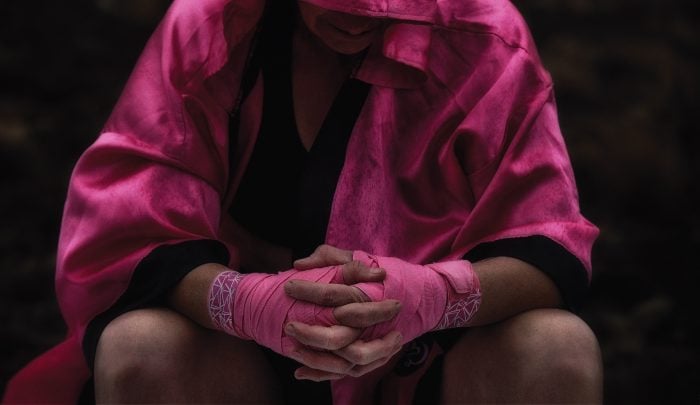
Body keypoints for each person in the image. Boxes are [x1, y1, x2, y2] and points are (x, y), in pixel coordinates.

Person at [3, 0, 603, 403]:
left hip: (425, 363)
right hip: (239, 360)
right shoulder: (211, 24)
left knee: (555, 346)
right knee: (142, 345)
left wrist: (433, 295)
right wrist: (241, 302)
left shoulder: (487, 34)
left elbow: (547, 246)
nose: (360, 12)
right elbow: (131, 231)